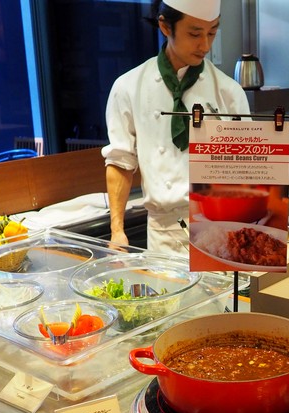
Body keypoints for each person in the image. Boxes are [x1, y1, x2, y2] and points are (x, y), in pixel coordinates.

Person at [102, 0, 250, 256]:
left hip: (220, 231)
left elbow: (247, 173)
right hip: (163, 235)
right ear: (165, 26)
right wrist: (117, 230)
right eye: (195, 34)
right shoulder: (128, 87)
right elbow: (120, 161)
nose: (205, 45)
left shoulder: (229, 93)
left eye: (212, 32)